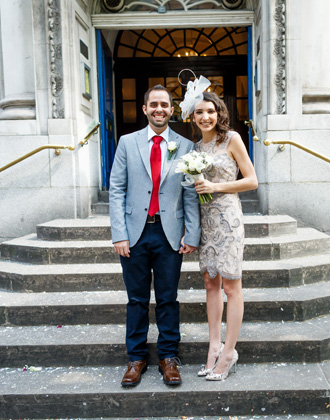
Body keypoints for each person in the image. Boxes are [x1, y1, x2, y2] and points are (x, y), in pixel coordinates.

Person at [109, 85, 201, 387]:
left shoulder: (185, 146)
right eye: (154, 104)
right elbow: (117, 190)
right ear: (145, 109)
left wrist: (193, 233)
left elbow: (189, 192)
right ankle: (136, 359)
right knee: (136, 300)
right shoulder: (127, 142)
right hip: (134, 234)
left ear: (171, 110)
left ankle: (168, 358)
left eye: (165, 105)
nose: (159, 109)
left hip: (169, 233)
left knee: (167, 299)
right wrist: (119, 234)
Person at [180, 78, 258, 381]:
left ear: (218, 112)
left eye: (210, 111)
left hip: (228, 219)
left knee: (230, 286)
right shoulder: (194, 148)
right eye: (199, 112)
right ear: (193, 117)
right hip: (206, 223)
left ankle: (229, 351)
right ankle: (213, 347)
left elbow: (251, 180)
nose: (205, 117)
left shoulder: (232, 139)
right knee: (210, 284)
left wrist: (215, 185)